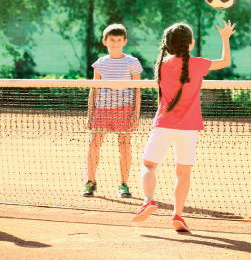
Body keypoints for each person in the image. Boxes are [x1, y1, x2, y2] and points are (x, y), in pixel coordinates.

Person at [132, 21, 236, 230]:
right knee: (183, 173)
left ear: (167, 44)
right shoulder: (197, 64)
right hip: (189, 128)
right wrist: (225, 37)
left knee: (149, 165)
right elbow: (225, 61)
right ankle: (177, 215)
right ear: (190, 44)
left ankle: (148, 200)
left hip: (163, 124)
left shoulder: (162, 64)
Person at [82, 24, 143, 198]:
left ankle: (124, 185)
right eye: (111, 40)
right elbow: (93, 89)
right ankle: (90, 182)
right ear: (104, 41)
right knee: (94, 143)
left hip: (125, 110)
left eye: (118, 40)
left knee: (124, 145)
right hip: (102, 110)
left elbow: (138, 90)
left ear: (124, 41)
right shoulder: (100, 63)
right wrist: (90, 116)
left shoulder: (133, 62)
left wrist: (135, 115)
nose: (115, 43)